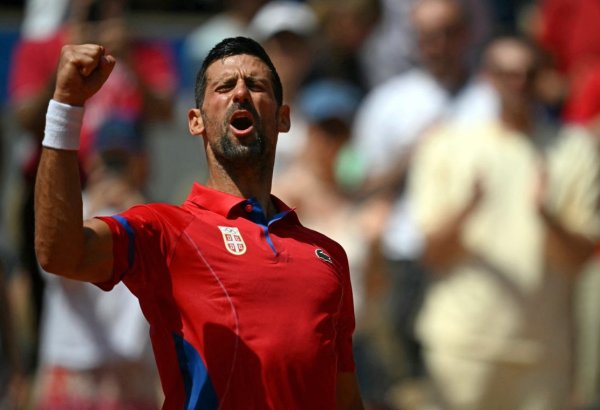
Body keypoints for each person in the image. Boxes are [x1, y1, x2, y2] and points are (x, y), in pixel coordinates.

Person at [34, 37, 364, 409]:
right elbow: (60, 253)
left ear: (283, 118)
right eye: (224, 87)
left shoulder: (328, 256)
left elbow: (345, 398)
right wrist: (65, 106)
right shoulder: (165, 231)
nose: (241, 93)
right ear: (196, 121)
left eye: (256, 85)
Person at [408, 35, 600, 409]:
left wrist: (546, 216)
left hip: (543, 352)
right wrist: (468, 208)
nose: (519, 84)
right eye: (508, 74)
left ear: (544, 78)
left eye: (529, 74)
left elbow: (580, 257)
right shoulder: (446, 145)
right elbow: (431, 252)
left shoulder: (575, 148)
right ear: (488, 78)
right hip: (462, 346)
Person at [348, 0, 498, 405]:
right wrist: (409, 158)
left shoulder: (493, 100)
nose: (439, 44)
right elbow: (353, 178)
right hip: (406, 251)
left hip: (477, 254)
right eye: (429, 35)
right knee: (405, 371)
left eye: (449, 32)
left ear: (467, 35)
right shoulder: (387, 102)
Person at [34, 118, 160, 409]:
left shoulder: (152, 214)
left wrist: (135, 208)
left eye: (122, 160)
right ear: (91, 163)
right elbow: (53, 265)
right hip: (74, 366)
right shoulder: (69, 210)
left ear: (140, 164)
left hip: (130, 372)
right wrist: (92, 208)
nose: (115, 170)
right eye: (109, 160)